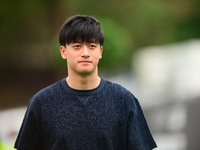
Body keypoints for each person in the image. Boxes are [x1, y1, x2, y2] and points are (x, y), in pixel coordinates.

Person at [14, 15, 157, 150]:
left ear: (100, 51)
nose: (85, 53)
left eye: (92, 46)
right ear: (63, 52)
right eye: (77, 46)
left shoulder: (123, 100)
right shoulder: (41, 103)